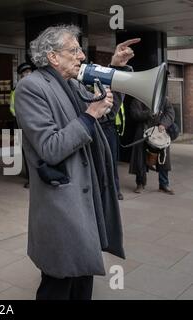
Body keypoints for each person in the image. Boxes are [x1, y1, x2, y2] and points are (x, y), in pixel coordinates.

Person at [15, 25, 138, 300]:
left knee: (83, 277)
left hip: (86, 195)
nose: (81, 56)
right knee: (59, 281)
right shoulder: (31, 88)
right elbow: (49, 147)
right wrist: (89, 115)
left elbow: (104, 113)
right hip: (62, 200)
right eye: (74, 50)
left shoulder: (72, 83)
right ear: (53, 57)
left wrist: (115, 68)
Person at [128, 95, 175, 194]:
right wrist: (149, 113)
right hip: (142, 131)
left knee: (163, 159)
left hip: (159, 132)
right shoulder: (139, 97)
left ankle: (164, 184)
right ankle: (140, 183)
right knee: (140, 159)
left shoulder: (162, 98)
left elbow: (170, 112)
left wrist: (163, 124)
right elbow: (135, 113)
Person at [10, 62, 33, 188]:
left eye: (29, 71)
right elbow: (13, 109)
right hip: (24, 125)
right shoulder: (17, 89)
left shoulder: (38, 86)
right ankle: (31, 178)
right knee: (28, 152)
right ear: (21, 75)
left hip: (37, 125)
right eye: (25, 73)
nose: (28, 74)